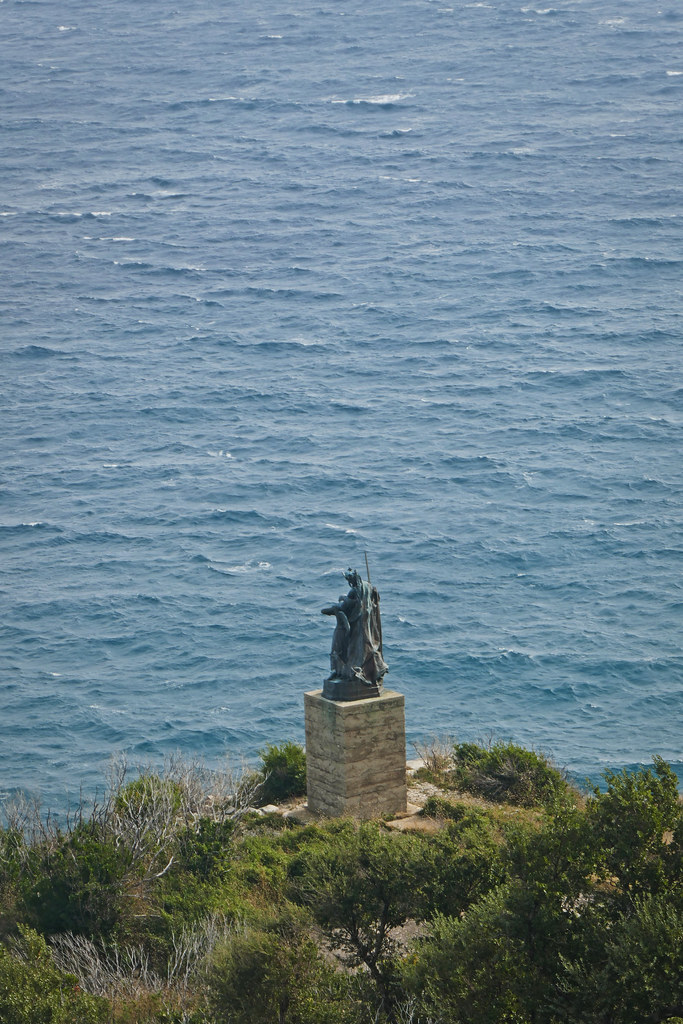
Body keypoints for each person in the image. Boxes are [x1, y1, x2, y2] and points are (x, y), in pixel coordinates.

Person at [321, 569, 388, 685]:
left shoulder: (358, 590)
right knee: (359, 649)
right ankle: (347, 672)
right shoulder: (365, 587)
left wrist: (339, 604)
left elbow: (345, 607)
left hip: (360, 624)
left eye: (350, 580)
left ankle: (354, 672)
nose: (350, 582)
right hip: (363, 623)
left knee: (355, 649)